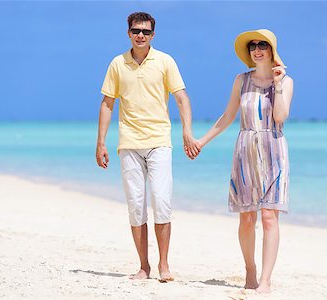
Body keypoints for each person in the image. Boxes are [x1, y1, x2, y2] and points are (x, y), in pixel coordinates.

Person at [96, 12, 200, 282]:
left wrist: (187, 133)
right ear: (128, 33)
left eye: (145, 31)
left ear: (153, 34)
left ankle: (164, 265)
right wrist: (101, 143)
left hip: (159, 141)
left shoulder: (165, 61)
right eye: (135, 30)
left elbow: (181, 98)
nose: (140, 35)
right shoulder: (118, 64)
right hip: (129, 143)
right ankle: (144, 266)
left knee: (162, 201)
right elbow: (108, 104)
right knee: (136, 206)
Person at [188, 29, 293, 293]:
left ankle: (266, 280)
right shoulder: (241, 80)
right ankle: (250, 271)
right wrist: (202, 140)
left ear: (272, 50)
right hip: (245, 150)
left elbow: (280, 117)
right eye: (252, 46)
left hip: (273, 150)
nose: (256, 50)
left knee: (269, 217)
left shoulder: (286, 81)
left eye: (262, 45)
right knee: (247, 218)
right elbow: (227, 116)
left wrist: (278, 85)